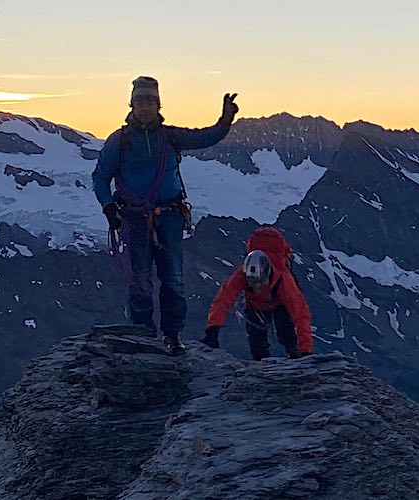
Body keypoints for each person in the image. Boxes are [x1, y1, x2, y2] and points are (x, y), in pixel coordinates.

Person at [92, 76, 239, 355]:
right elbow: (100, 178)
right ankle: (145, 336)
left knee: (172, 279)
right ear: (131, 104)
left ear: (158, 105)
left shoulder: (169, 136)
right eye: (140, 101)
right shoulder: (119, 141)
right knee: (143, 280)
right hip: (136, 218)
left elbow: (206, 136)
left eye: (150, 101)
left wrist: (224, 122)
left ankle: (171, 335)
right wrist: (109, 208)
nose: (145, 107)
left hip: (169, 217)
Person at [204, 225, 314, 360]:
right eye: (252, 282)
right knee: (256, 343)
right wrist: (212, 329)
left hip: (279, 303)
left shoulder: (284, 281)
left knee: (287, 335)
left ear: (267, 274)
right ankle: (264, 368)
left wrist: (306, 350)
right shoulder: (240, 275)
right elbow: (223, 300)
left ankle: (296, 358)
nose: (256, 287)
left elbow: (301, 314)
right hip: (255, 305)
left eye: (260, 282)